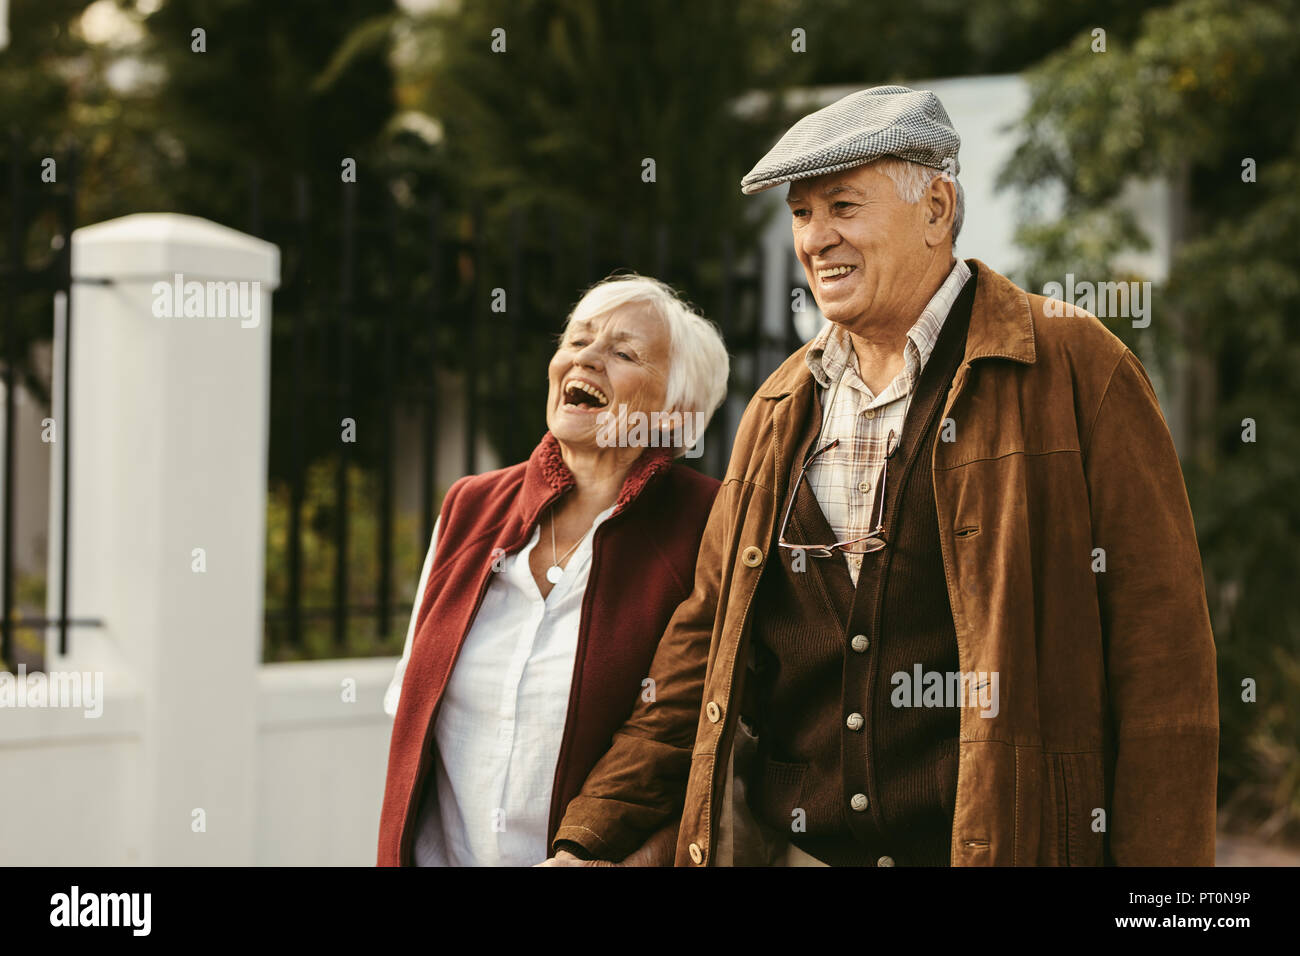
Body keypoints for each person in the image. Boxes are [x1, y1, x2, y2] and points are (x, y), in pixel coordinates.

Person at [544, 85, 1218, 867]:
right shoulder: (778, 407)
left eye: (844, 206)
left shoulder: (1078, 367)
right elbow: (702, 653)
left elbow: (1164, 675)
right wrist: (588, 838)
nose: (816, 238)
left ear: (936, 207)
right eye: (801, 213)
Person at [377, 274, 729, 866]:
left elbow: (698, 745)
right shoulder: (470, 507)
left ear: (675, 411)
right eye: (577, 339)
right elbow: (412, 721)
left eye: (623, 353)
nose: (586, 358)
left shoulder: (711, 524)